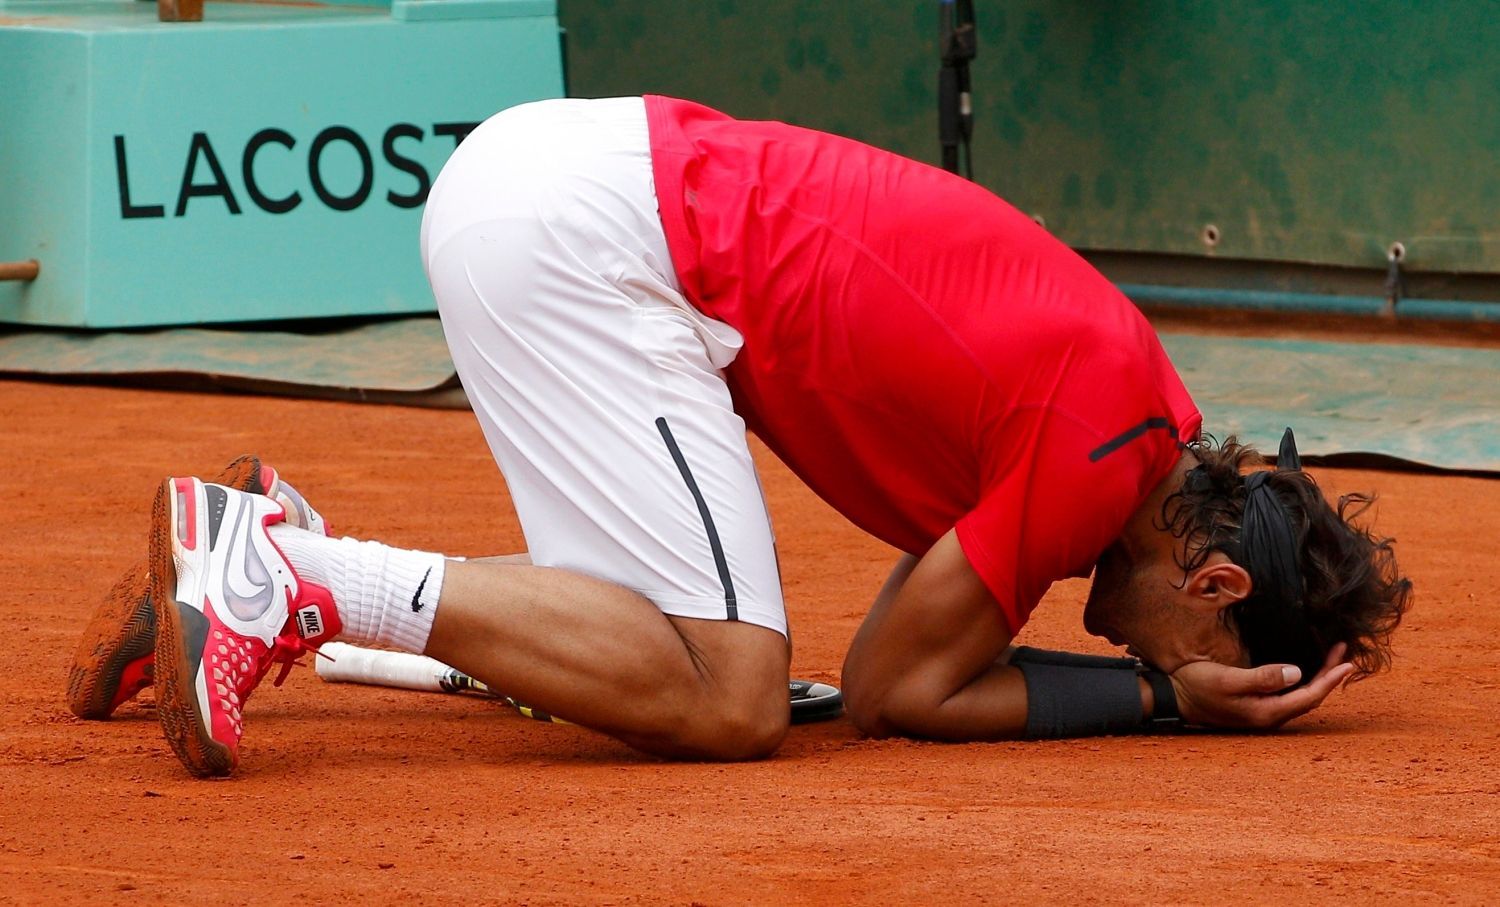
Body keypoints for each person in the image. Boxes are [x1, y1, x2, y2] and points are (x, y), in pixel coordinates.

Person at [73, 97, 1412, 776]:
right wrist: (1165, 698)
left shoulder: (1134, 417)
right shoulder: (1097, 457)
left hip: (566, 196)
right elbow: (893, 686)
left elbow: (915, 651)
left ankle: (297, 560)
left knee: (631, 663)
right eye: (1194, 640)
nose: (1132, 636)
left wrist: (1161, 681)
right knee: (725, 694)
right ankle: (280, 575)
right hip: (602, 242)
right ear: (1215, 583)